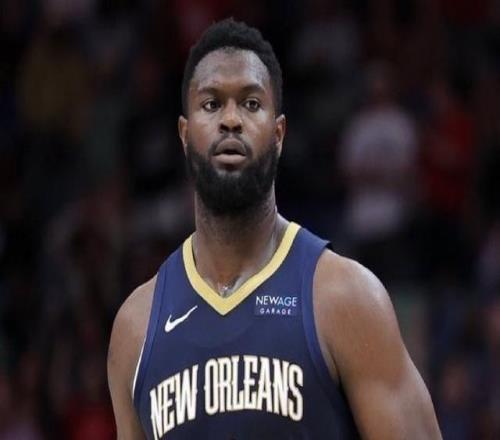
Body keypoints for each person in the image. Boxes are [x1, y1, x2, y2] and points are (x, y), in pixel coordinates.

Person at [107, 18, 442, 439]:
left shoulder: (346, 298)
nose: (231, 119)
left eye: (251, 103)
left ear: (279, 134)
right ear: (185, 134)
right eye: (211, 104)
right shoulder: (135, 328)